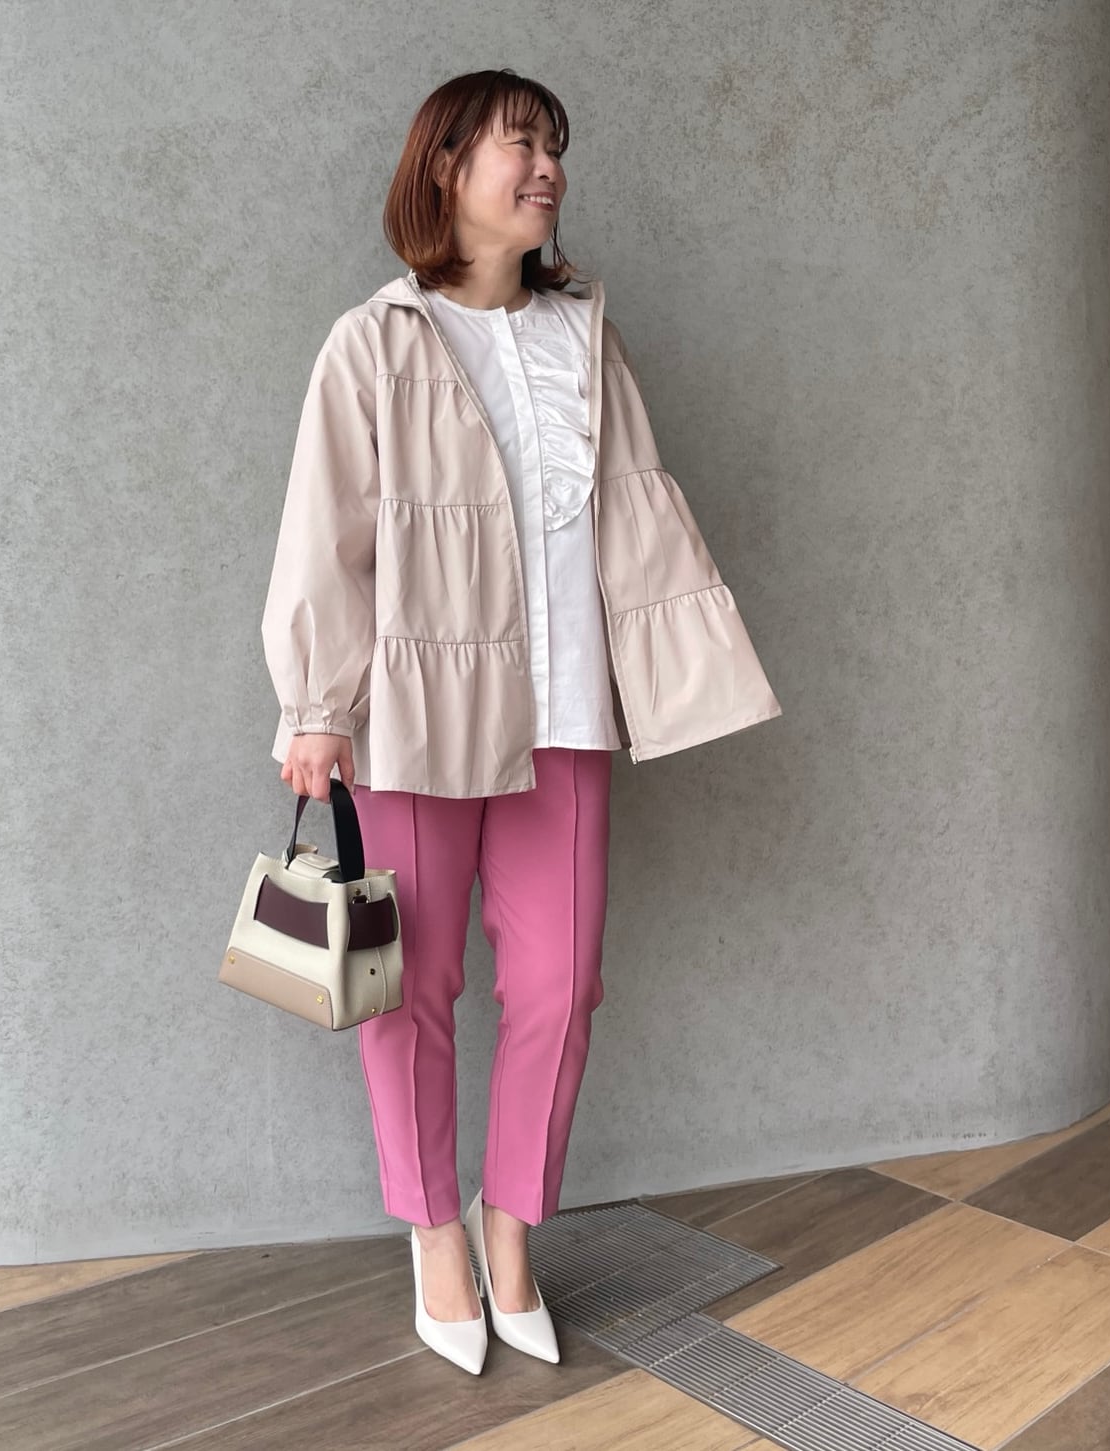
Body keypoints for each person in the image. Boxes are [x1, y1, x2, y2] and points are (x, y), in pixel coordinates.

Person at [261, 69, 781, 1376]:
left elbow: (640, 514)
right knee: (410, 987)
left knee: (560, 985)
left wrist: (683, 667)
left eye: (555, 147)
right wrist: (316, 705)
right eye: (519, 144)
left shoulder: (586, 337)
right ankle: (433, 1231)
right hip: (416, 713)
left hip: (565, 710)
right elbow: (326, 535)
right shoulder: (373, 341)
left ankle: (511, 1226)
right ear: (445, 166)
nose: (546, 167)